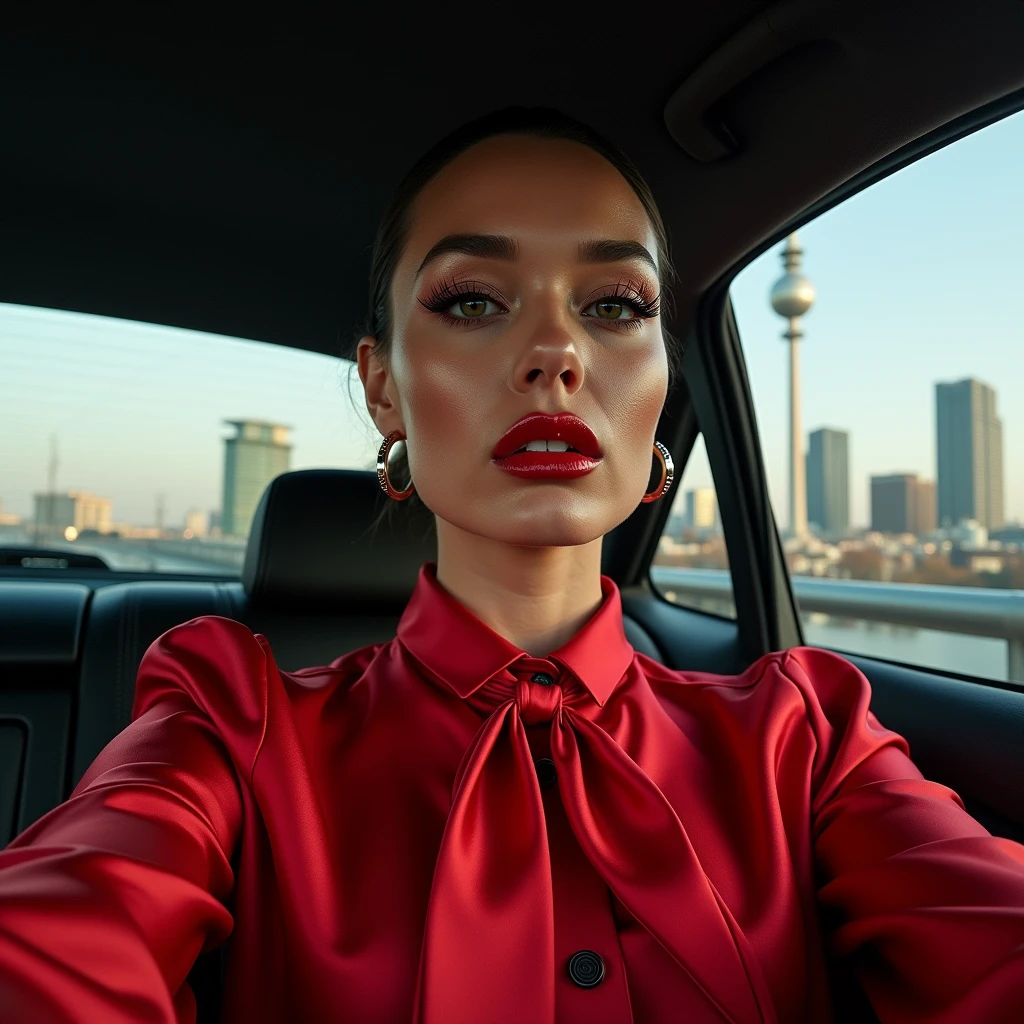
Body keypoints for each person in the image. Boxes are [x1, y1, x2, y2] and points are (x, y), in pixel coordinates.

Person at [1, 106, 1023, 1024]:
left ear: (663, 382)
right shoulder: (227, 726)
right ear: (383, 388)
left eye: (615, 306)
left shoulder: (804, 740)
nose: (555, 352)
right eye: (475, 300)